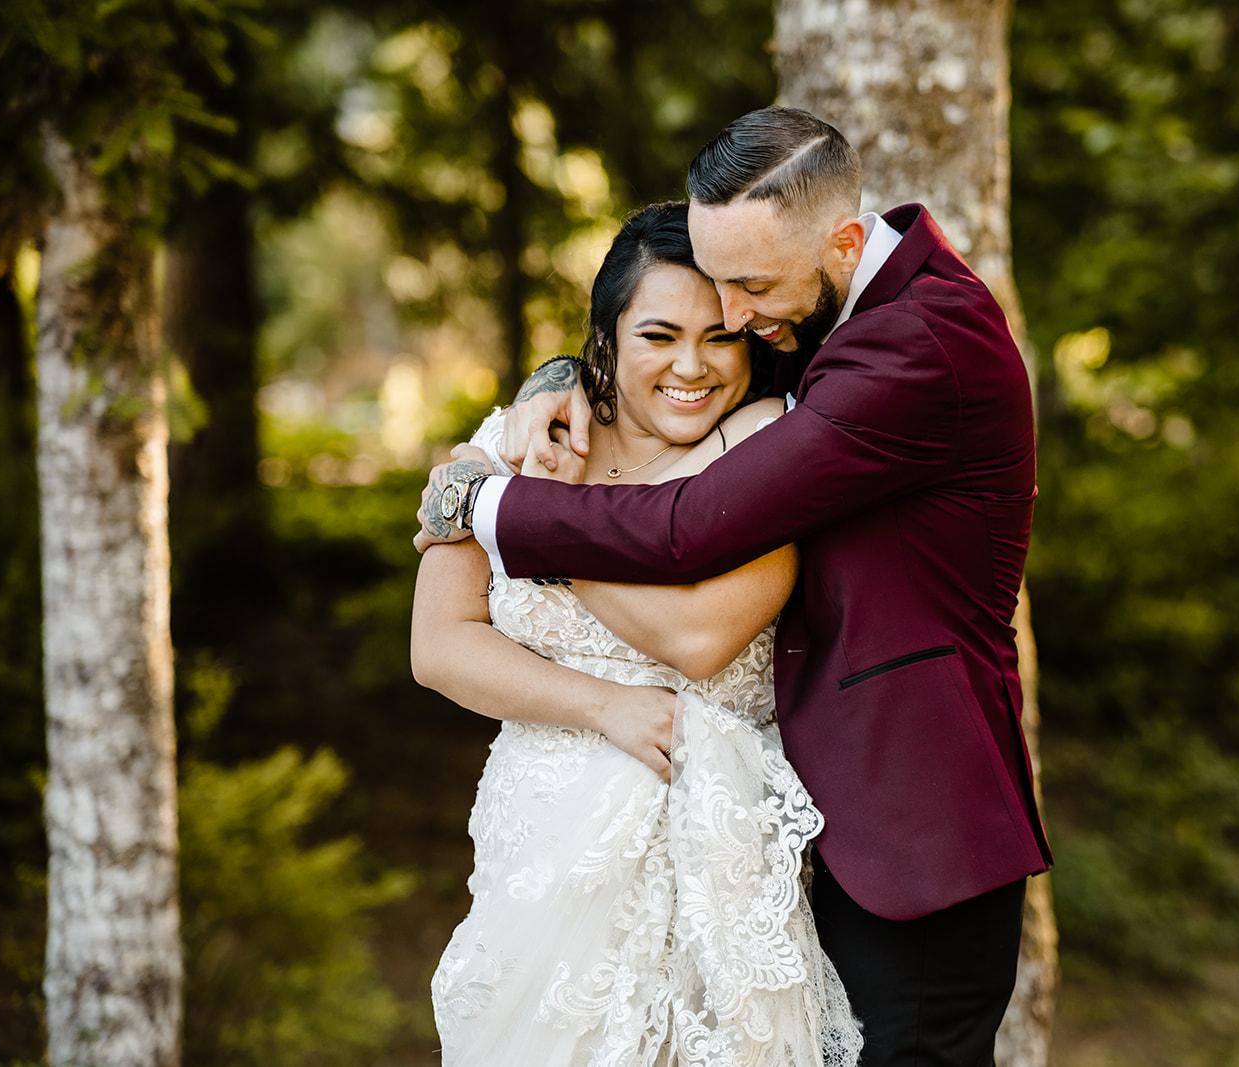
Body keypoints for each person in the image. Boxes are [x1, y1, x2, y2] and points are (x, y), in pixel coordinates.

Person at [417, 107, 1052, 1066]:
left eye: (748, 290)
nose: (741, 320)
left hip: (916, 821)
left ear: (840, 241)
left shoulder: (918, 344)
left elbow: (691, 525)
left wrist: (495, 504)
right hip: (808, 831)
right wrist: (558, 378)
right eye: (722, 287)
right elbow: (656, 352)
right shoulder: (826, 301)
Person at [411, 201, 862, 1066]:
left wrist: (525, 525)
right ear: (607, 336)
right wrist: (604, 706)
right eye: (658, 334)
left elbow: (702, 640)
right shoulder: (516, 441)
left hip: (715, 873)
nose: (691, 366)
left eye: (720, 338)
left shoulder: (773, 459)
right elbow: (439, 646)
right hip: (542, 858)